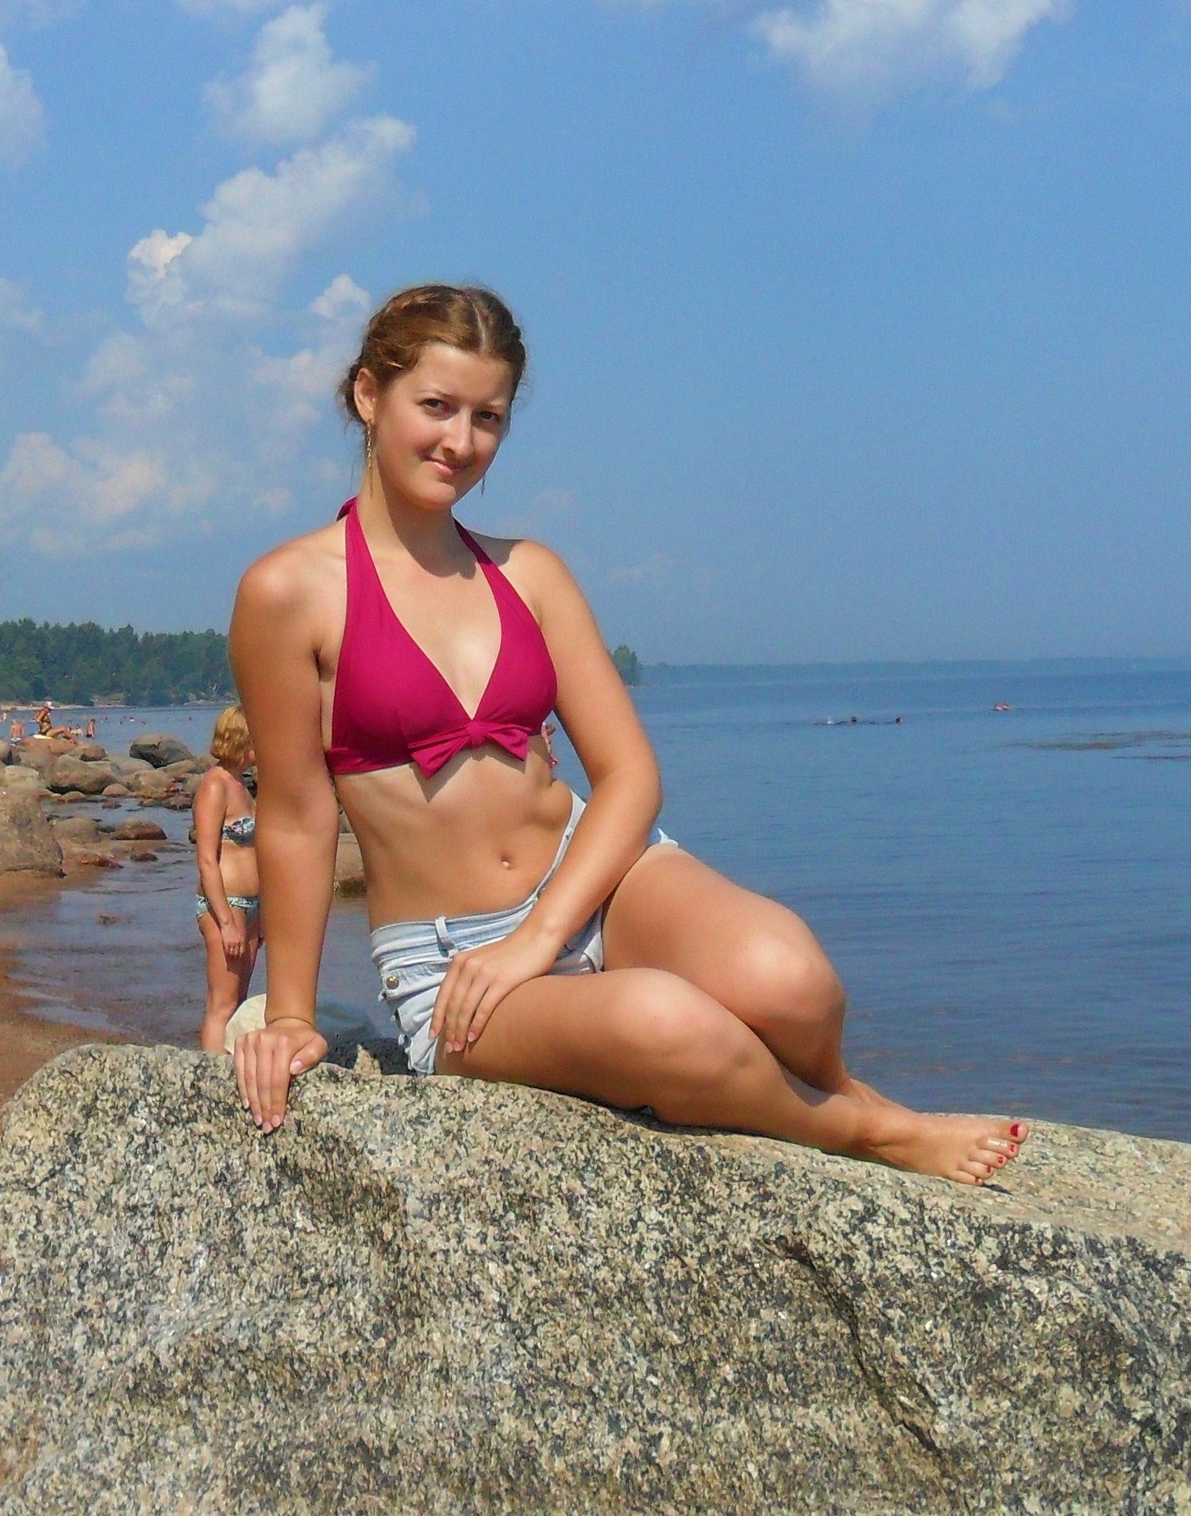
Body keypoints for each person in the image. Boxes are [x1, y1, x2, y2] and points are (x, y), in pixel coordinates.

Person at [228, 284, 1026, 1186]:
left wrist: (542, 935)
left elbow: (630, 775)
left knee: (792, 979)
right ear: (370, 395)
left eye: (488, 418)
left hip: (601, 885)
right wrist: (289, 1013)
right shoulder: (290, 592)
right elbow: (296, 815)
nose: (461, 442)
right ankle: (863, 1130)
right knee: (666, 1024)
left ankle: (842, 1087)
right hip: (454, 961)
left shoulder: (530, 574)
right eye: (437, 406)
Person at [192, 705, 264, 1051]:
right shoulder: (214, 785)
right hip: (226, 906)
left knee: (240, 1003)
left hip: (251, 907)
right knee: (222, 1005)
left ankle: (230, 1069)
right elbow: (207, 859)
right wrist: (225, 923)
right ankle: (211, 1073)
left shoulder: (242, 784)